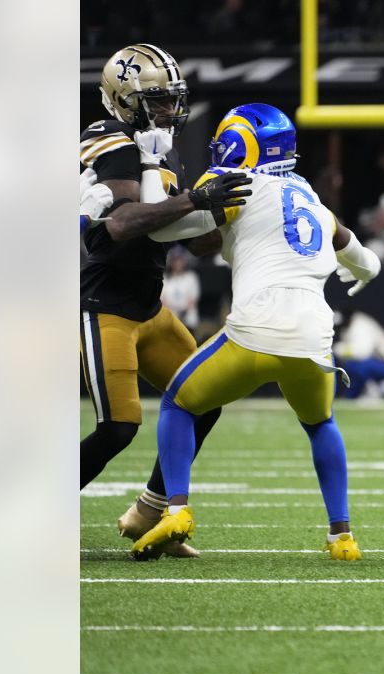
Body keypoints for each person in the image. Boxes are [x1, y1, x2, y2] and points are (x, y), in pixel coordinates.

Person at [128, 103, 382, 561]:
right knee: (321, 423)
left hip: (255, 328)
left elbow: (161, 231)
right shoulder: (310, 198)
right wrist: (364, 269)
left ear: (241, 143)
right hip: (313, 337)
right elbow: (358, 252)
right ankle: (341, 536)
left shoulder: (234, 184)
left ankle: (177, 509)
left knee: (178, 403)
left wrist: (153, 167)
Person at [80, 43, 252, 560]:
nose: (168, 109)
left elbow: (175, 230)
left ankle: (151, 514)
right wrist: (195, 201)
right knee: (117, 428)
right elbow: (125, 223)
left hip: (148, 307)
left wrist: (222, 218)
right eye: (156, 99)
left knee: (203, 400)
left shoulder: (158, 145)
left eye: (172, 98)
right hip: (103, 302)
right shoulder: (109, 141)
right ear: (125, 99)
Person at [334, 309, 384, 400]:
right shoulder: (348, 327)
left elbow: (363, 352)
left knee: (355, 367)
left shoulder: (359, 325)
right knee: (349, 366)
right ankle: (354, 396)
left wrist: (340, 349)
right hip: (373, 361)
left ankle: (381, 387)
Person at [160, 247, 200, 332]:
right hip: (171, 319)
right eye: (175, 260)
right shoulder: (165, 279)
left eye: (180, 260)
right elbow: (163, 301)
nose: (178, 263)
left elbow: (193, 300)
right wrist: (174, 315)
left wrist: (182, 314)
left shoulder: (191, 277)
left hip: (188, 319)